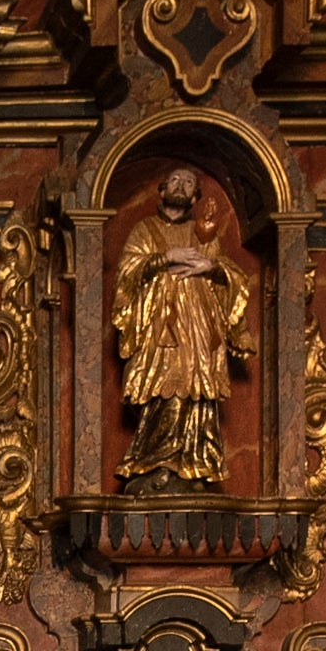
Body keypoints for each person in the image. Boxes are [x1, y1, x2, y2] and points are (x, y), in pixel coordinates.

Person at [111, 165, 251, 493]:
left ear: (195, 196)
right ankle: (155, 461)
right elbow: (126, 273)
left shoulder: (203, 233)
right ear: (162, 190)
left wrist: (211, 266)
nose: (181, 185)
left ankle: (193, 465)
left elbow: (231, 275)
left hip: (198, 332)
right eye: (175, 179)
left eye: (189, 183)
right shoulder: (144, 230)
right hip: (158, 330)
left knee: (197, 394)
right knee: (161, 392)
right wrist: (164, 258)